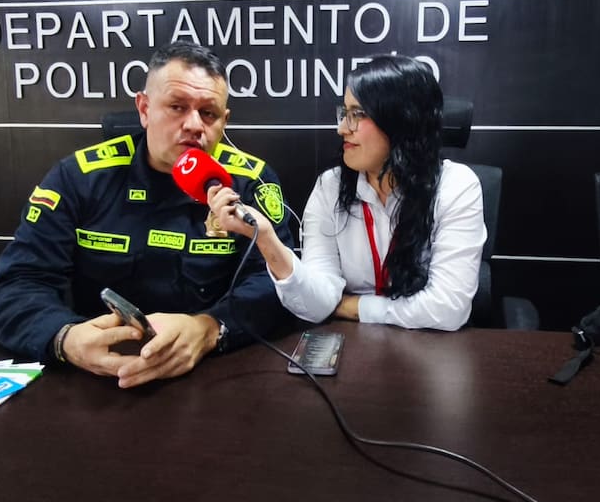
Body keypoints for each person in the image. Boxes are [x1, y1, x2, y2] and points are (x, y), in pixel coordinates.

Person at [0, 42, 295, 387]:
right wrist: (65, 338)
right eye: (177, 107)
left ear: (224, 121)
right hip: (98, 375)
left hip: (211, 373)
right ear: (144, 109)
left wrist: (210, 328)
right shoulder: (79, 178)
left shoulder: (251, 181)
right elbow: (20, 283)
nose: (194, 124)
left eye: (208, 113)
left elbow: (276, 284)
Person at [207, 55, 485, 331]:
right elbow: (317, 305)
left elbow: (447, 309)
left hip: (433, 347)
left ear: (401, 120)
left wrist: (351, 306)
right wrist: (266, 239)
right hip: (355, 344)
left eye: (358, 115)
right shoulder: (330, 187)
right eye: (345, 113)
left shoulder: (456, 186)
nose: (342, 129)